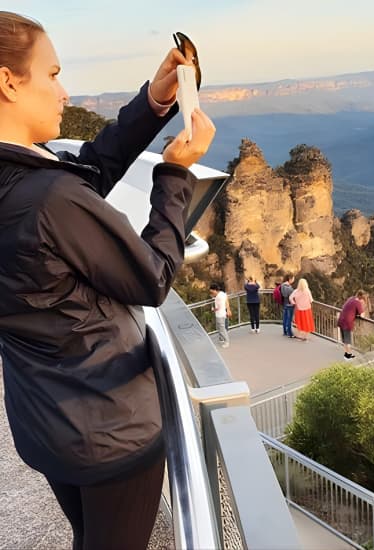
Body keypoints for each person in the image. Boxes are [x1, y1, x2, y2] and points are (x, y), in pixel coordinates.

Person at [0, 11, 216, 550]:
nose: (64, 92)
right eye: (51, 75)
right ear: (8, 82)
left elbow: (87, 172)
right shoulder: (48, 200)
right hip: (107, 430)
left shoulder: (24, 180)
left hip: (44, 417)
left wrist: (156, 101)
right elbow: (152, 278)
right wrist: (174, 174)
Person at [337, 290, 368, 359]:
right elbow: (362, 315)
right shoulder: (357, 302)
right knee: (348, 341)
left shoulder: (351, 298)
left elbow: (346, 307)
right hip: (347, 323)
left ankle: (346, 354)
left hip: (341, 320)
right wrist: (362, 312)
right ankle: (348, 355)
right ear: (362, 298)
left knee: (345, 340)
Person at [210, 283, 231, 347]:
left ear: (215, 290)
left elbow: (217, 308)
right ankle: (224, 339)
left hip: (219, 315)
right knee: (222, 328)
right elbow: (226, 302)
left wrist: (213, 309)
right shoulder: (222, 294)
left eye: (212, 291)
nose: (212, 293)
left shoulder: (217, 298)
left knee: (222, 329)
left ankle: (226, 342)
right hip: (223, 313)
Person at [281, 273, 296, 338]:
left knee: (285, 318)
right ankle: (290, 333)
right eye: (293, 279)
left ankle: (285, 331)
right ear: (290, 279)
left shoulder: (282, 285)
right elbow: (290, 294)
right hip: (289, 304)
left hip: (285, 303)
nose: (293, 280)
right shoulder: (288, 287)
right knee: (289, 319)